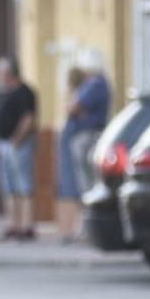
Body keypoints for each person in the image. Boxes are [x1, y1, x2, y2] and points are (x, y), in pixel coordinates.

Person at [56, 64, 109, 243]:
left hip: (85, 139)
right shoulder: (94, 85)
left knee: (85, 185)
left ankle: (87, 230)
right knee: (82, 185)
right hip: (83, 138)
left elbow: (73, 108)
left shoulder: (96, 85)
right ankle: (82, 228)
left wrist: (75, 108)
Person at [0, 56, 37, 241]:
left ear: (9, 73)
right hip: (4, 144)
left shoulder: (24, 92)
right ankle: (13, 226)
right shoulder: (6, 93)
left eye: (0, 72)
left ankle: (27, 226)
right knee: (9, 188)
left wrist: (17, 139)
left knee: (23, 186)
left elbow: (28, 118)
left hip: (19, 145)